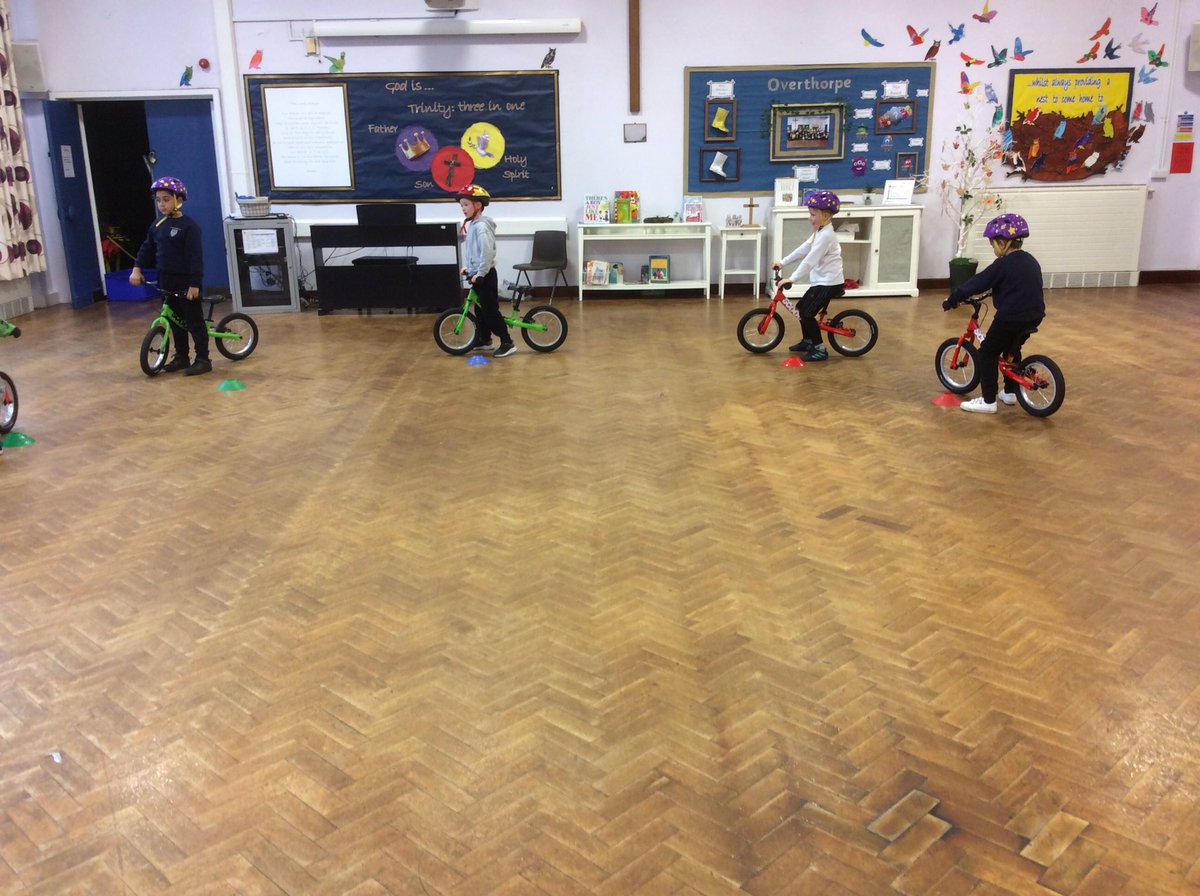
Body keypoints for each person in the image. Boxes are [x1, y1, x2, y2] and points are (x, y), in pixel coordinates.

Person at [943, 213, 1045, 414]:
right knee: (1011, 348)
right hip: (1035, 315)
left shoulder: (1003, 264)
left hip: (1011, 317)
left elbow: (977, 282)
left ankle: (988, 400)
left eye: (993, 244)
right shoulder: (1030, 260)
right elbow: (1020, 285)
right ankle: (1009, 392)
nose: (993, 249)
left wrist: (952, 299)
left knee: (987, 352)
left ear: (1002, 243)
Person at [129, 176, 210, 375]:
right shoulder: (157, 226)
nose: (161, 204)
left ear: (178, 200)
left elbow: (195, 258)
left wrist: (194, 284)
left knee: (194, 321)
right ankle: (181, 356)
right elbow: (146, 249)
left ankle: (203, 359)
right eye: (158, 200)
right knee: (175, 321)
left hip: (186, 281)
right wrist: (136, 268)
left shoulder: (189, 227)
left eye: (166, 199)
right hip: (166, 279)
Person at [772, 190, 844, 361]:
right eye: (810, 214)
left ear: (826, 215)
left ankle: (819, 350)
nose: (810, 218)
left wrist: (792, 278)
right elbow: (804, 248)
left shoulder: (826, 235)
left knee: (806, 313)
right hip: (822, 281)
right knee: (801, 309)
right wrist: (783, 262)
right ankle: (808, 340)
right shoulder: (820, 231)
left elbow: (810, 260)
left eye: (813, 214)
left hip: (829, 282)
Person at [457, 184, 515, 357]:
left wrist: (480, 273)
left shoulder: (481, 227)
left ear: (478, 205)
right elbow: (475, 252)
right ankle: (485, 340)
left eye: (466, 204)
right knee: (479, 310)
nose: (463, 209)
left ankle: (507, 342)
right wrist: (470, 268)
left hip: (485, 275)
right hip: (478, 274)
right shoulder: (474, 224)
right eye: (461, 205)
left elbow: (486, 253)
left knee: (490, 311)